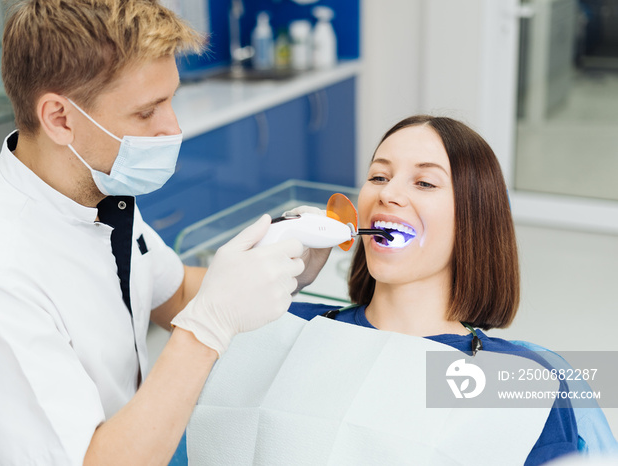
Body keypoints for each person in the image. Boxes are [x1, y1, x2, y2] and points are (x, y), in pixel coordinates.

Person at [0, 1, 329, 465]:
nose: (172, 128)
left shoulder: (94, 193)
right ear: (59, 118)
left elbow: (172, 295)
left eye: (171, 99)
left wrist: (279, 265)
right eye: (146, 112)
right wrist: (207, 329)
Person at [187, 115, 581, 465]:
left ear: (474, 219)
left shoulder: (520, 379)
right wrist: (266, 283)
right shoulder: (277, 323)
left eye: (425, 182)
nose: (387, 193)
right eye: (378, 176)